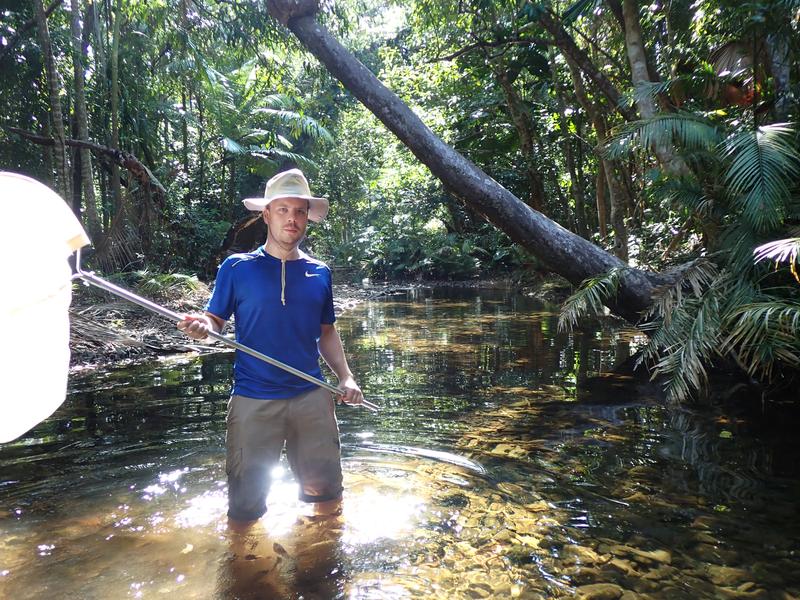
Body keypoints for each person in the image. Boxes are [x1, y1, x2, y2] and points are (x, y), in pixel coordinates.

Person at [177, 168, 364, 522]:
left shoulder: (320, 272)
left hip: (312, 397)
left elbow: (326, 331)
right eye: (283, 210)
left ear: (307, 217)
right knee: (245, 508)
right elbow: (214, 319)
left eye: (299, 211)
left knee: (325, 496)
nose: (291, 219)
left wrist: (346, 377)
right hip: (253, 399)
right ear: (266, 215)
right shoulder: (236, 268)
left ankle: (320, 559)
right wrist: (203, 326)